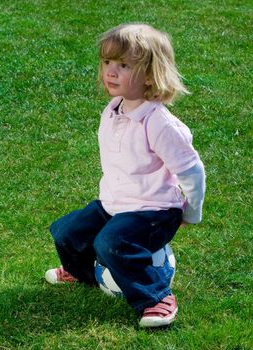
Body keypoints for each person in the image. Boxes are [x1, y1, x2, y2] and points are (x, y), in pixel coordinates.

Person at [44, 23, 206, 328]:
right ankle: (82, 273)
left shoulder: (159, 124)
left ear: (149, 74)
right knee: (67, 231)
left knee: (112, 242)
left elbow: (192, 171)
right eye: (107, 63)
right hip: (116, 204)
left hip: (154, 211)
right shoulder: (114, 108)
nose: (111, 72)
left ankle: (157, 297)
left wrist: (191, 212)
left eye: (123, 65)